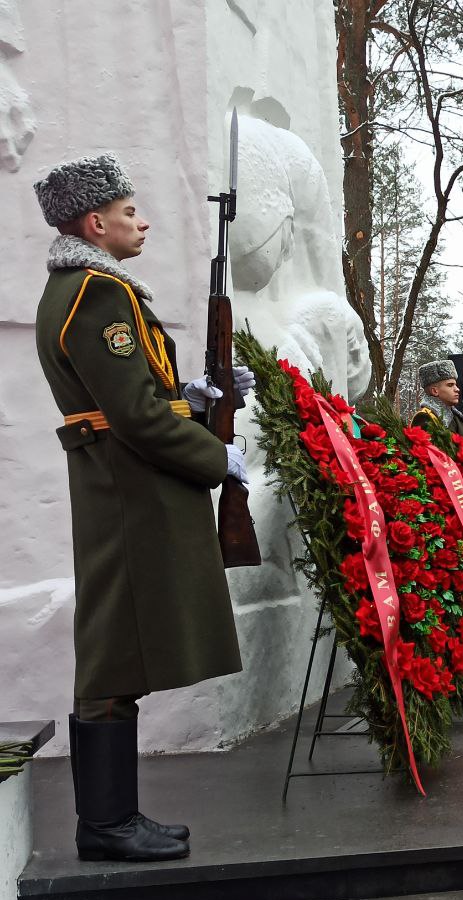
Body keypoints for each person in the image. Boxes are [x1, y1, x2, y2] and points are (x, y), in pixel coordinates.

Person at [33, 154, 247, 861]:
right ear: (95, 224)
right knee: (112, 651)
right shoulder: (98, 294)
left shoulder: (82, 289)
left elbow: (129, 395)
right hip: (126, 491)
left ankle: (115, 815)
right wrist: (217, 458)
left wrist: (193, 395)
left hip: (115, 486)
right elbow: (132, 415)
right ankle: (105, 823)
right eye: (129, 212)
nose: (142, 220)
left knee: (117, 648)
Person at [411, 358, 463, 437]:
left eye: (455, 385)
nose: (457, 389)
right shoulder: (424, 417)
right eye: (450, 385)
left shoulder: (456, 416)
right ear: (435, 391)